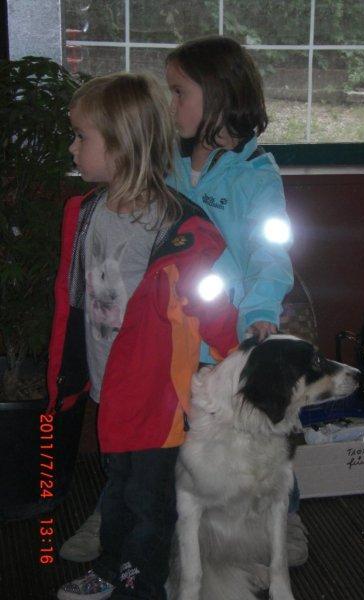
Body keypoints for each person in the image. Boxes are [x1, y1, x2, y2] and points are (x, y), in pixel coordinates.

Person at [61, 35, 308, 567]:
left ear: (219, 95)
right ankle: (114, 510)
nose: (168, 104)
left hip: (225, 332)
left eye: (178, 92)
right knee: (150, 434)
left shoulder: (257, 178)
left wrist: (259, 313)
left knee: (253, 427)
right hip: (167, 333)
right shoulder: (166, 166)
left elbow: (271, 253)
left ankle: (284, 510)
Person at [50, 72, 238, 600]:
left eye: (81, 136)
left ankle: (142, 583)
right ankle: (113, 567)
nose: (73, 147)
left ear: (121, 146)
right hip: (108, 385)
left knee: (148, 500)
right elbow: (73, 296)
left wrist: (232, 353)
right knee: (117, 487)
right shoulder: (88, 213)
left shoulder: (172, 227)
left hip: (157, 396)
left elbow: (207, 299)